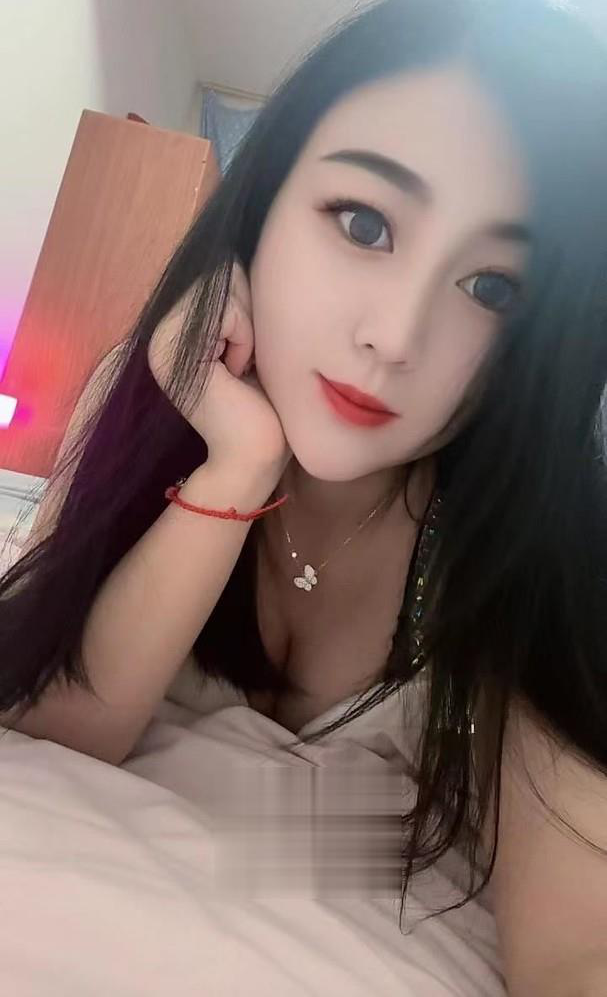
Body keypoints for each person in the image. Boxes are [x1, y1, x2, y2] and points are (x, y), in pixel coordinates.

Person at [1, 0, 607, 991]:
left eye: (493, 288)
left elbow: (578, 946)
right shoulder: (142, 401)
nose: (395, 335)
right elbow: (60, 733)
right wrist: (235, 465)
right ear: (263, 203)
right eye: (364, 223)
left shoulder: (532, 549)